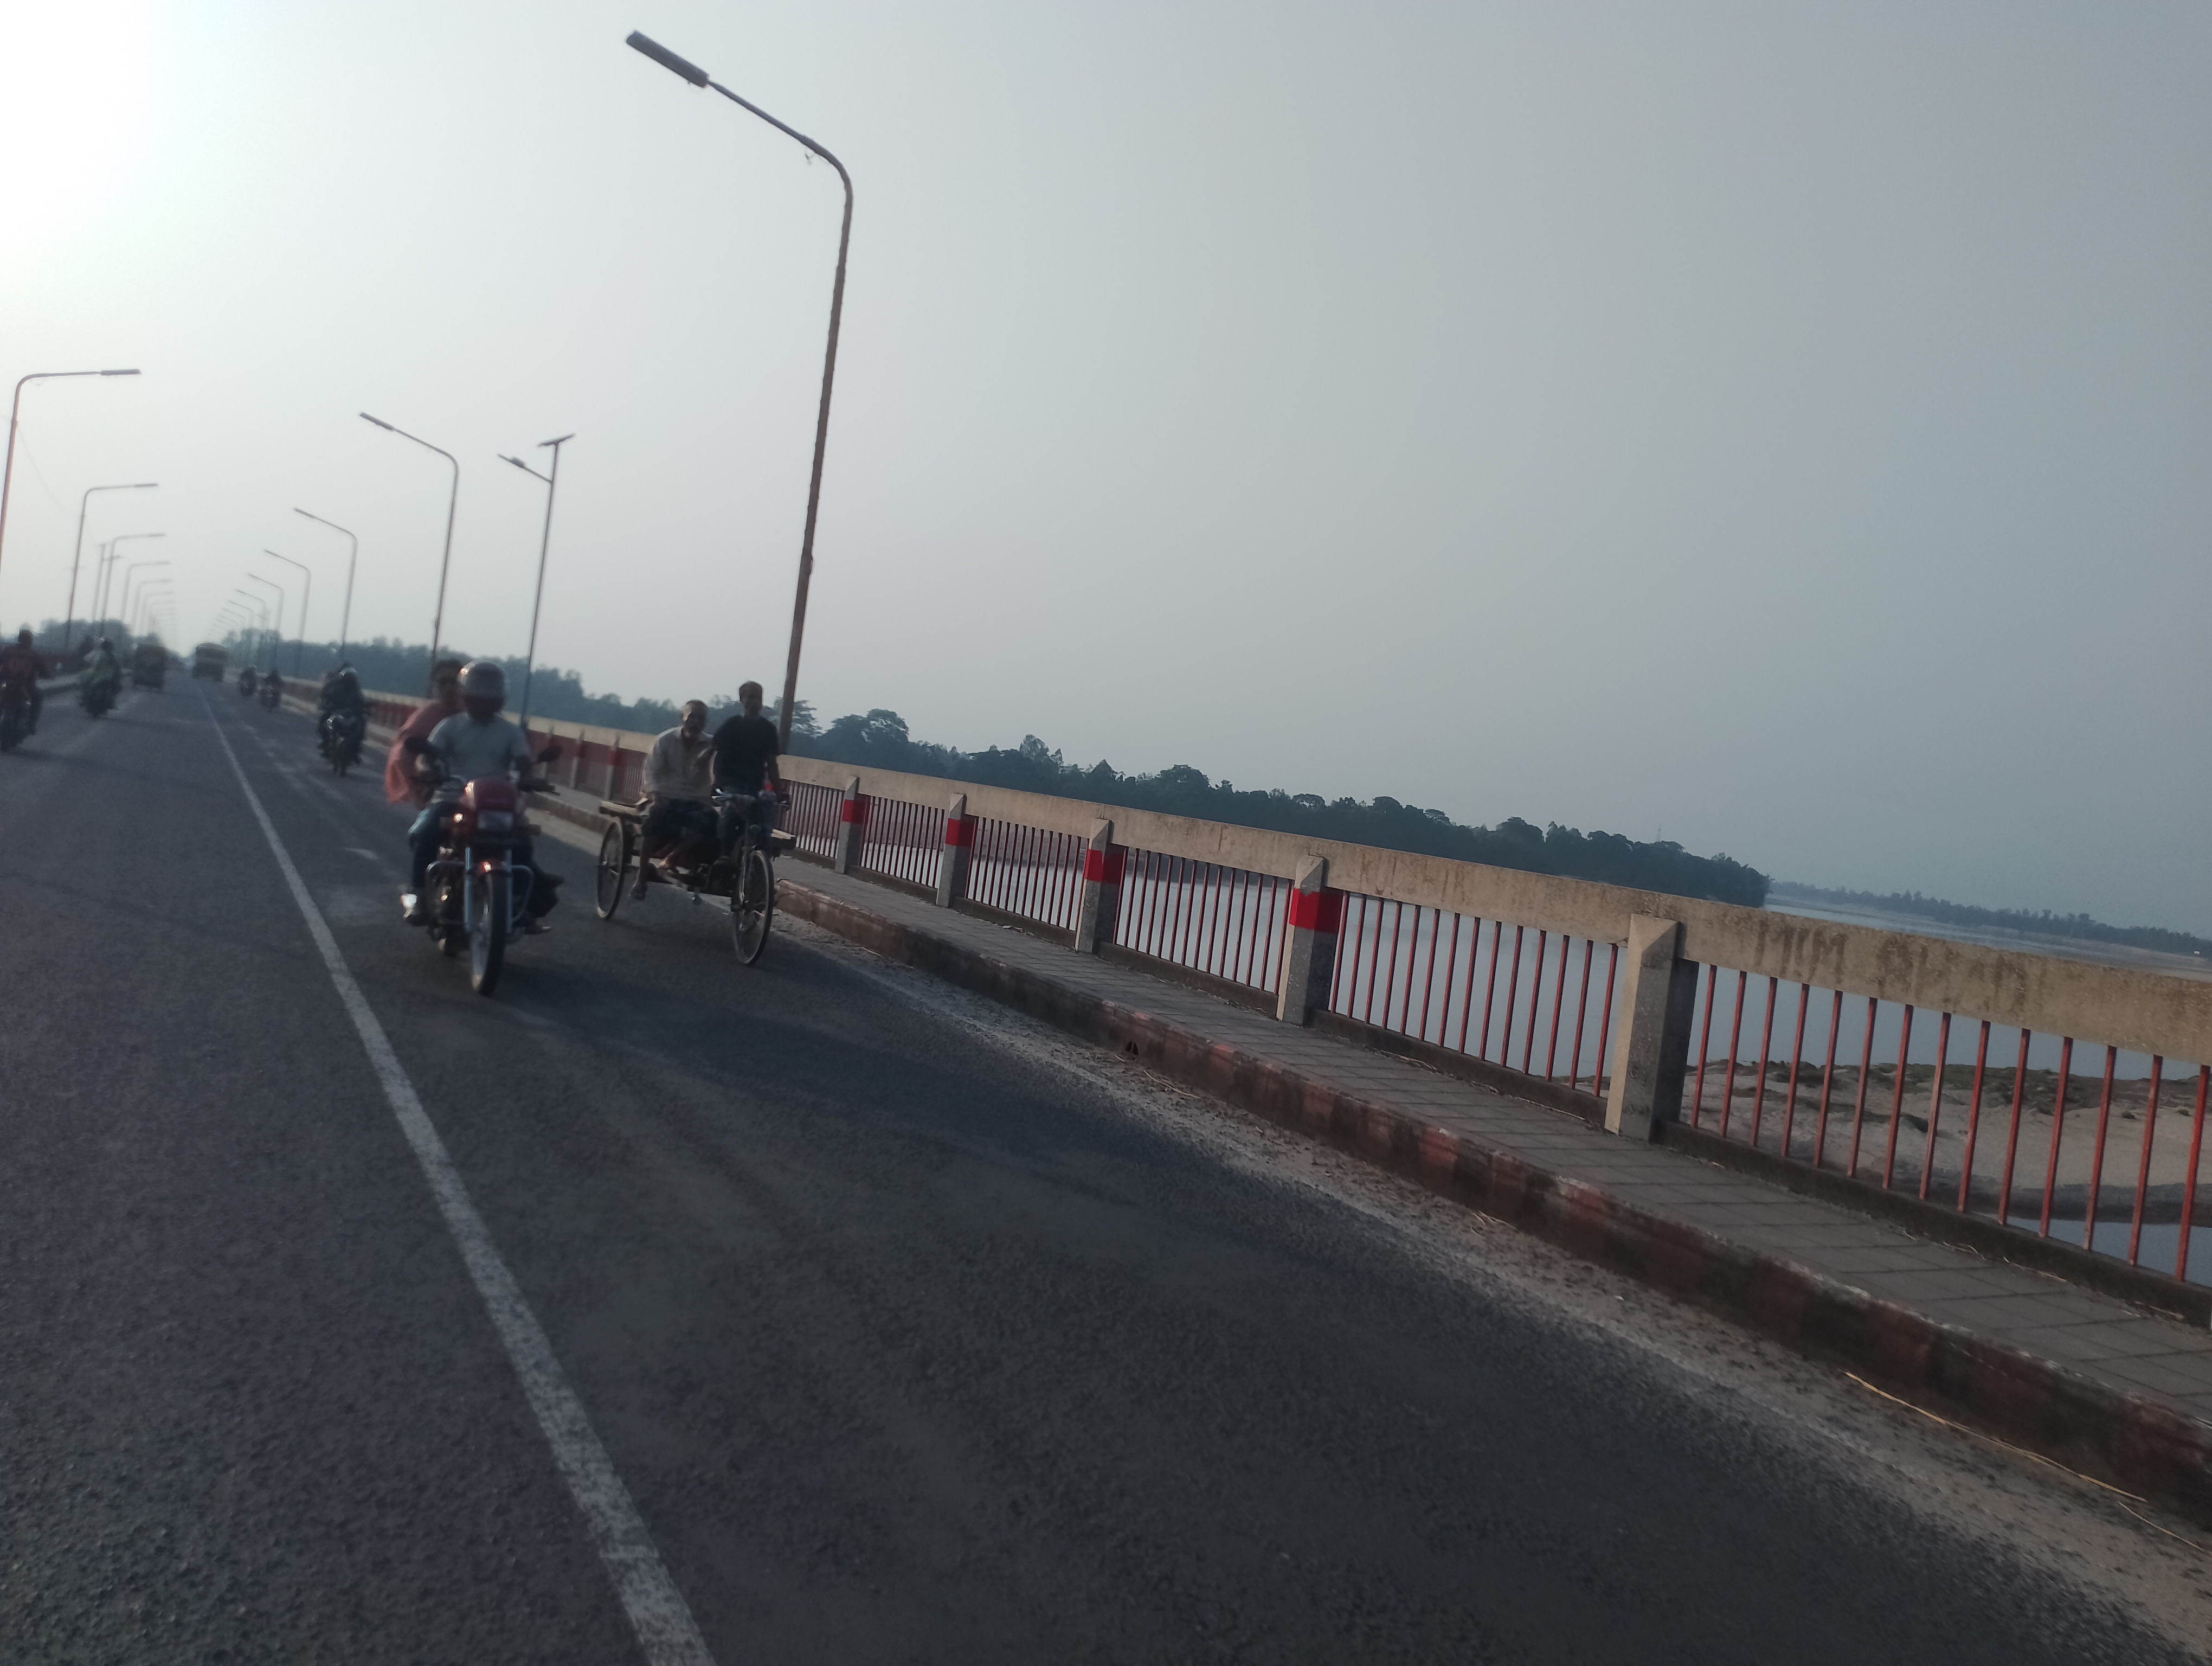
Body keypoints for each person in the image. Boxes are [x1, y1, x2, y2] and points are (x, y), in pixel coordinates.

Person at [401, 659, 562, 930]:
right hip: (452, 797)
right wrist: (428, 771)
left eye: (490, 692)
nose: (485, 698)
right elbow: (426, 757)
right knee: (426, 832)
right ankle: (418, 894)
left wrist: (529, 778)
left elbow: (524, 762)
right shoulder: (450, 726)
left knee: (523, 844)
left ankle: (517, 903)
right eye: (480, 691)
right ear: (466, 694)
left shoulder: (510, 732)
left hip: (495, 803)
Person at [633, 701, 718, 899]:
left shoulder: (712, 745)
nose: (696, 722)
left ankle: (673, 858)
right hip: (665, 796)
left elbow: (725, 758)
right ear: (683, 718)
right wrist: (656, 796)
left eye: (701, 719)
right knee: (654, 818)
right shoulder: (665, 741)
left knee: (710, 820)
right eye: (692, 717)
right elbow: (651, 773)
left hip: (695, 800)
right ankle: (641, 874)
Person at [710, 681, 785, 857]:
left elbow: (772, 763)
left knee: (764, 825)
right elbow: (717, 756)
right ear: (742, 700)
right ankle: (724, 858)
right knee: (728, 818)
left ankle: (762, 859)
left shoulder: (768, 730)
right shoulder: (731, 726)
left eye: (758, 698)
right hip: (731, 784)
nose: (755, 702)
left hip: (755, 786)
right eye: (750, 697)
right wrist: (715, 783)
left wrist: (779, 792)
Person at [385, 659, 464, 808]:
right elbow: (403, 755)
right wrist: (420, 789)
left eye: (454, 682)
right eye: (443, 682)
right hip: (440, 790)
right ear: (435, 686)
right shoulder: (424, 718)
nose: (449, 687)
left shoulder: (479, 717)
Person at [0, 629, 47, 734]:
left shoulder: (8, 651)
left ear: (19, 639)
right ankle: (32, 725)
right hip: (26, 686)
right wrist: (49, 676)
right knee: (38, 698)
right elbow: (44, 671)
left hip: (5, 683)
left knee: (1, 695)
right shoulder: (34, 655)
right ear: (30, 641)